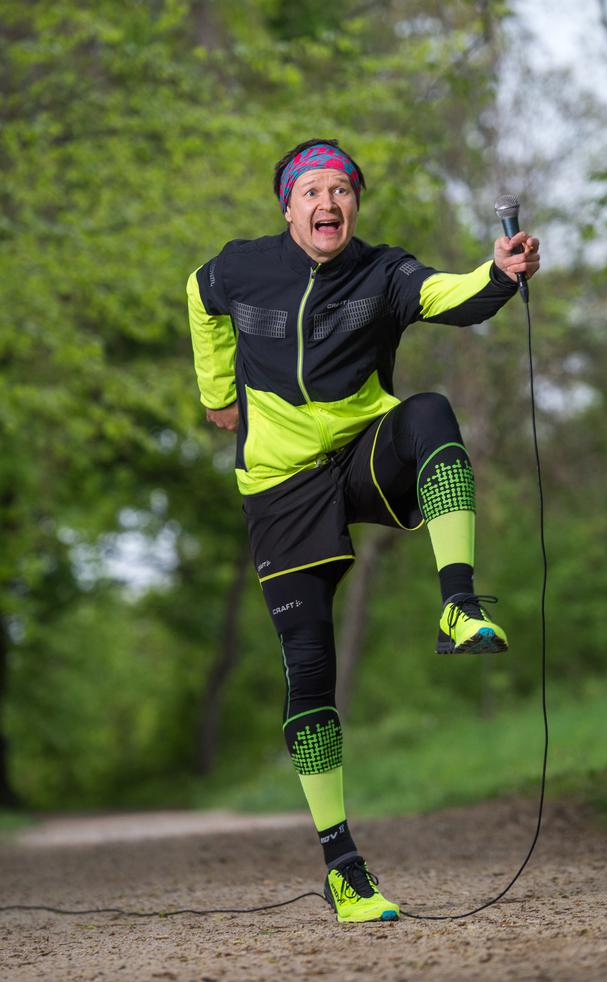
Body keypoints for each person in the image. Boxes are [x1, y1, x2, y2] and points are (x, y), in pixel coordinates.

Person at [187, 138, 540, 924]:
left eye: (341, 191)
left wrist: (499, 275)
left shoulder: (381, 272)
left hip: (359, 455)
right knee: (310, 666)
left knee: (430, 412)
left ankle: (459, 603)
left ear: (353, 208)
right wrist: (217, 390)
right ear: (288, 207)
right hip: (279, 488)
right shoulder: (241, 267)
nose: (328, 203)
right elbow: (197, 294)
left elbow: (451, 294)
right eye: (312, 190)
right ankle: (344, 867)